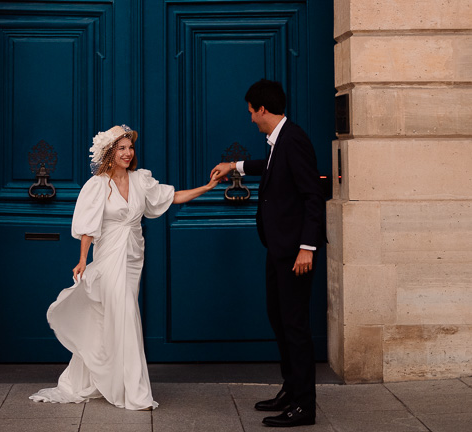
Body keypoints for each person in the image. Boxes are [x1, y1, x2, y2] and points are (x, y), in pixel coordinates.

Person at [31, 124, 218, 411]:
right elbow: (88, 229)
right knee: (126, 315)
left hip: (133, 257)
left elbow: (170, 197)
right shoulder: (97, 185)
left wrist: (205, 188)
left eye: (130, 147)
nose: (128, 152)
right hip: (108, 258)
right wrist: (82, 259)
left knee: (115, 316)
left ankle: (108, 378)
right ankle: (135, 392)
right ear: (109, 153)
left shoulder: (141, 181)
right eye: (121, 148)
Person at [211, 79, 325, 428]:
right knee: (279, 319)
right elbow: (272, 167)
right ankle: (291, 389)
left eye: (251, 112)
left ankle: (304, 405)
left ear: (263, 109)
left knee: (295, 326)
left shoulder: (295, 140)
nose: (250, 119)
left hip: (295, 253)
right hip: (279, 249)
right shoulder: (280, 141)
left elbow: (312, 196)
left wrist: (307, 248)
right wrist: (236, 166)